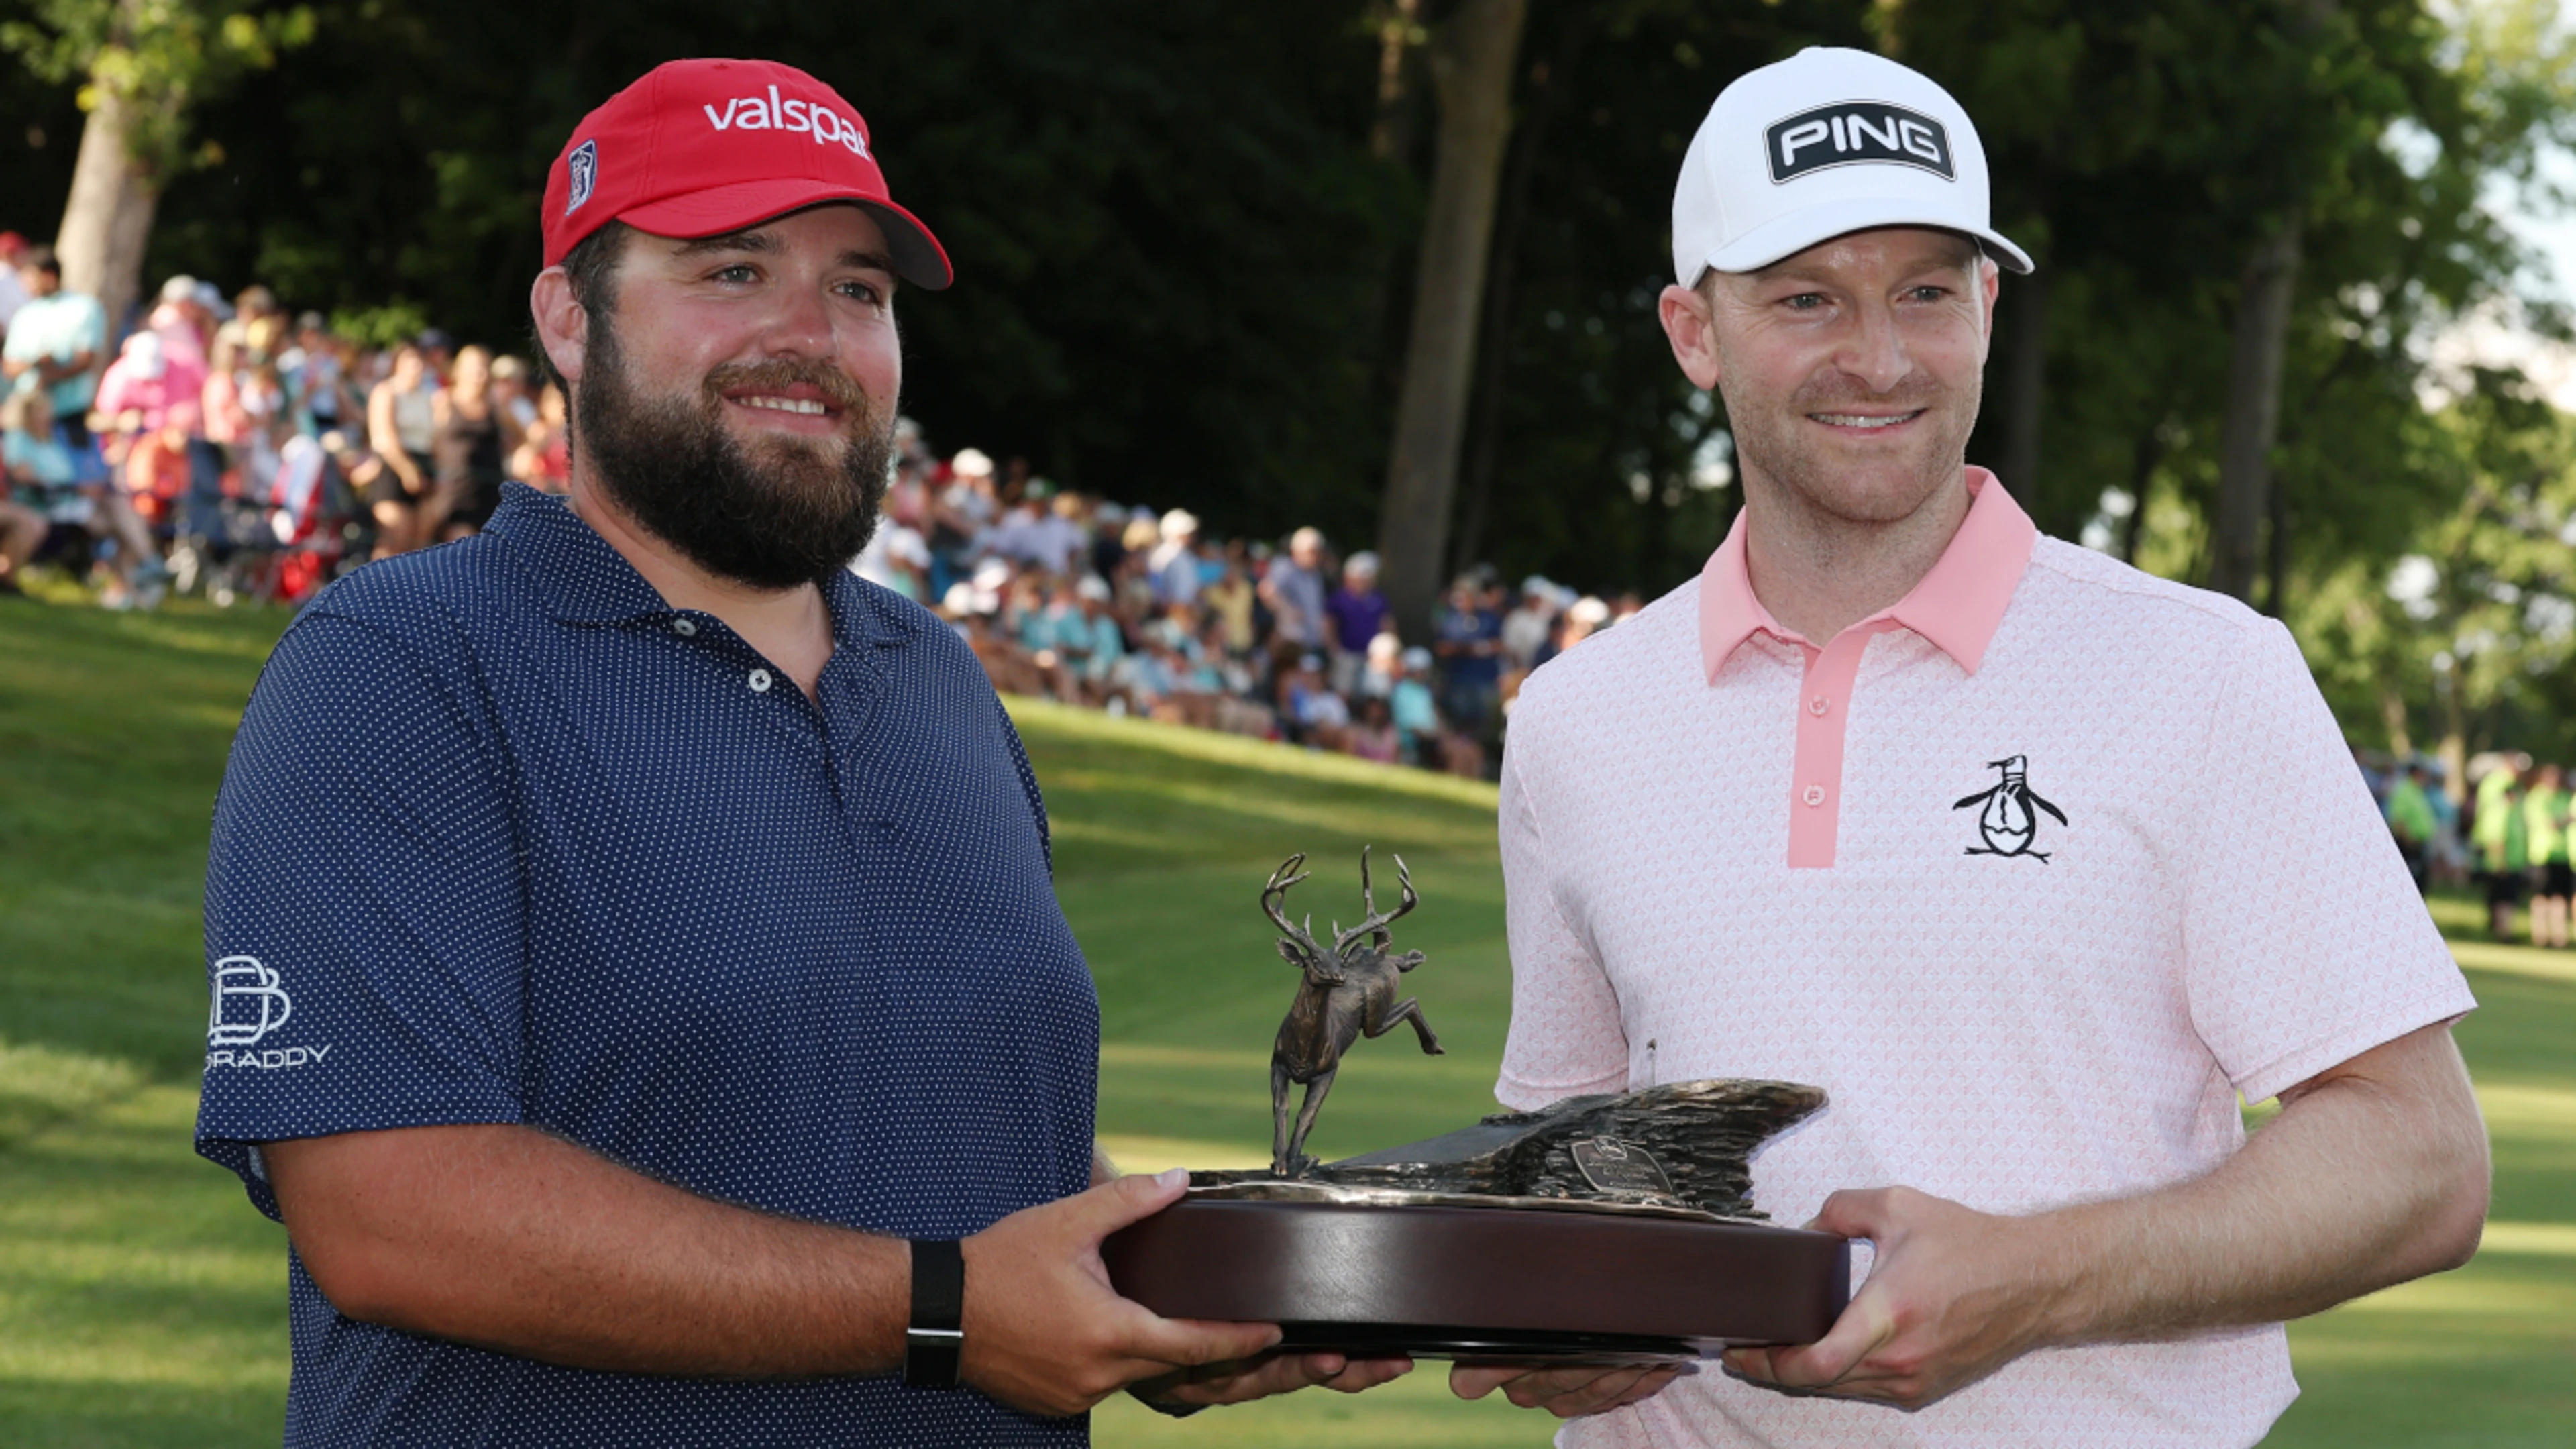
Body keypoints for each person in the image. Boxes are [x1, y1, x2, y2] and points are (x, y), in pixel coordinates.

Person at [194, 59, 1400, 1447]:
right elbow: (390, 1211)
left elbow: (989, 1130)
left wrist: (1171, 1301)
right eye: (731, 271)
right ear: (568, 321)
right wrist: (946, 1309)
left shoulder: (943, 684)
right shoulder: (405, 661)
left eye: (859, 290)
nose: (810, 333)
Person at [1467, 48, 2487, 1443]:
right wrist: (1560, 1308)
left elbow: (2422, 1160)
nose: (1878, 357)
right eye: (1807, 297)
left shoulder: (2202, 673)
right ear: (1694, 334)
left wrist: (2037, 1283)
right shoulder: (1578, 719)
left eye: (1927, 292)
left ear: (1989, 308)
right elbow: (1572, 1161)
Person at [3, 246, 107, 454]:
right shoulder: (25, 315)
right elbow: (9, 366)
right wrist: (35, 364)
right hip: (28, 416)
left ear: (49, 276)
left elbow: (85, 361)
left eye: (30, 278)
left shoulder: (84, 307)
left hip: (69, 411)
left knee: (73, 475)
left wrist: (50, 375)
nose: (26, 285)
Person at [430, 343, 520, 537]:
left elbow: (523, 436)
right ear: (459, 370)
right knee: (462, 547)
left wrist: (517, 453)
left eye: (484, 366)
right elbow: (431, 441)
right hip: (457, 491)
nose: (480, 373)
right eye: (474, 367)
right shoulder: (443, 401)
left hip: (490, 489)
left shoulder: (496, 407)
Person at [365, 343, 439, 547]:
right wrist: (407, 470)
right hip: (393, 471)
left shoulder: (428, 397)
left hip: (423, 469)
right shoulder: (386, 391)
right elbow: (384, 438)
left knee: (418, 545)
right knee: (394, 541)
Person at [1324, 550, 1392, 696]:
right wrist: (1334, 648)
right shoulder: (1339, 598)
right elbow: (1329, 623)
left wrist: (1388, 650)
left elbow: (1387, 625)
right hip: (1346, 654)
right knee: (1344, 691)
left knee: (1372, 694)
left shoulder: (1378, 599)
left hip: (1372, 657)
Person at [2524, 763, 2569, 949]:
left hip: (2562, 854)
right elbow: (2547, 823)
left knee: (2559, 898)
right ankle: (2540, 936)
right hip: (2541, 854)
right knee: (2541, 897)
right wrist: (2566, 819)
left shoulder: (2564, 797)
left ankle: (2559, 938)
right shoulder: (2537, 798)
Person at [2384, 761, 2439, 895]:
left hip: (2418, 843)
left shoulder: (2416, 791)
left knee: (2421, 880)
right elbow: (2398, 818)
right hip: (2409, 844)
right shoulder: (2404, 791)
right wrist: (2407, 840)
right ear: (2416, 774)